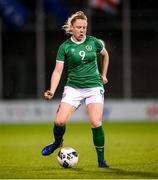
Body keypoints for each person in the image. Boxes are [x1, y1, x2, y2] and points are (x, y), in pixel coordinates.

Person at [41, 11, 109, 168]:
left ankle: (101, 160)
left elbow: (105, 55)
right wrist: (52, 90)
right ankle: (57, 142)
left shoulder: (94, 42)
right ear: (71, 28)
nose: (82, 30)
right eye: (79, 27)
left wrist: (104, 75)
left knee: (95, 122)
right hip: (73, 88)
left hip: (93, 86)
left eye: (84, 27)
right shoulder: (65, 47)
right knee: (59, 121)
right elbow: (58, 71)